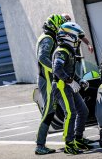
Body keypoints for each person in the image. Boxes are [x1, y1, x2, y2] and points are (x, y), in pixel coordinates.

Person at [52, 22, 94, 155]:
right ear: (68, 36)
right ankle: (68, 143)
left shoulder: (68, 51)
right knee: (70, 113)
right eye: (76, 36)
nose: (78, 39)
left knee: (83, 110)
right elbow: (57, 69)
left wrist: (79, 80)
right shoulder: (62, 51)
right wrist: (70, 81)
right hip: (61, 85)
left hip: (68, 84)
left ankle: (78, 139)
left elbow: (69, 71)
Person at [35, 14, 71, 155]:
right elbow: (43, 57)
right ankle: (40, 145)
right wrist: (57, 70)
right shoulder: (48, 39)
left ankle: (73, 138)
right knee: (49, 112)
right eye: (60, 27)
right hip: (48, 80)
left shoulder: (46, 37)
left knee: (67, 109)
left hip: (50, 79)